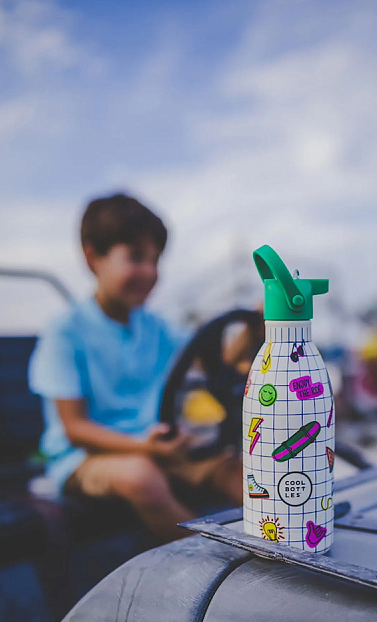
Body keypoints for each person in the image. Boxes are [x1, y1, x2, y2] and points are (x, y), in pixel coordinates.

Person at [28, 192, 243, 543]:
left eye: (156, 260)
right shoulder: (65, 331)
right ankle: (216, 561)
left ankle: (288, 543)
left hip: (156, 446)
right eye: (136, 257)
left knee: (231, 465)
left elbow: (221, 361)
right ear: (93, 257)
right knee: (141, 477)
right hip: (84, 458)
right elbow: (75, 429)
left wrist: (259, 325)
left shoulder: (157, 327)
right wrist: (145, 448)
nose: (151, 272)